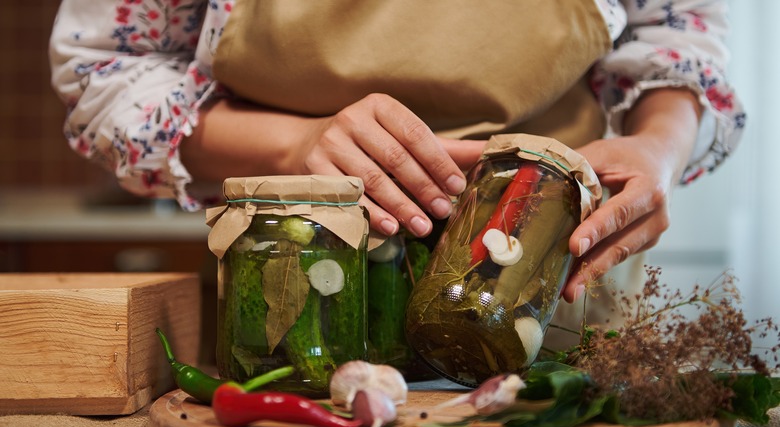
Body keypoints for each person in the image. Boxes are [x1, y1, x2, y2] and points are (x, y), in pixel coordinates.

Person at [49, 1, 744, 310]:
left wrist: (657, 146)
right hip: (290, 311)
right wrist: (294, 144)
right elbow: (107, 72)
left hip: (551, 289)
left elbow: (678, 37)